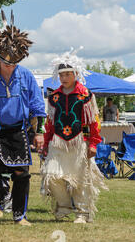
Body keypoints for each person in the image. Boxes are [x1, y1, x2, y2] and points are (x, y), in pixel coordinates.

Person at [0, 10, 46, 226]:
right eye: (6, 63)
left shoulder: (26, 76)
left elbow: (38, 108)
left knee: (21, 174)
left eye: (14, 63)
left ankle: (20, 215)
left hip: (17, 130)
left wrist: (38, 133)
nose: (10, 66)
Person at [41, 49, 108, 223]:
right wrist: (46, 142)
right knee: (52, 174)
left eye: (68, 74)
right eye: (61, 74)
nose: (64, 78)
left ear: (76, 74)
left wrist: (93, 143)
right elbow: (50, 122)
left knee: (80, 178)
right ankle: (64, 207)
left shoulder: (85, 95)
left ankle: (82, 213)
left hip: (79, 141)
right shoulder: (54, 97)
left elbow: (93, 121)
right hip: (57, 142)